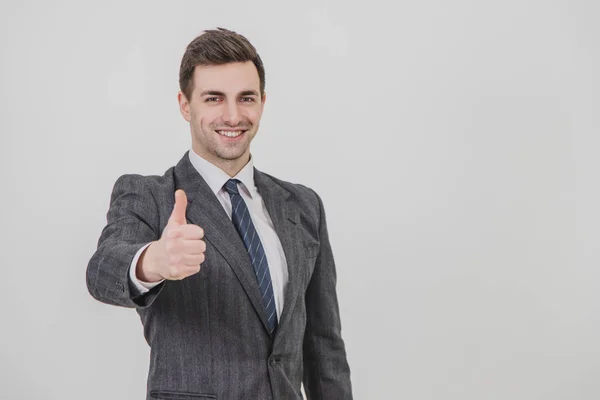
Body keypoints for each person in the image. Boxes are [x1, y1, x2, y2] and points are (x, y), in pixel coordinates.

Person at [86, 27, 352, 400]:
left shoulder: (304, 206)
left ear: (262, 102)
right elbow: (102, 271)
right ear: (185, 104)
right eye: (213, 98)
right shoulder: (150, 195)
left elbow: (324, 347)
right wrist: (153, 261)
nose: (233, 115)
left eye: (246, 98)